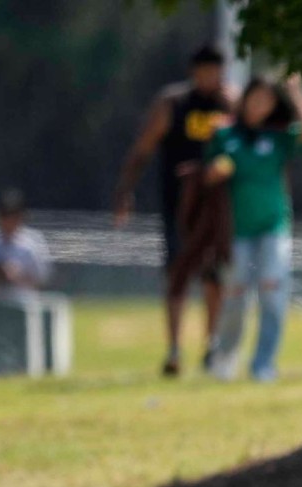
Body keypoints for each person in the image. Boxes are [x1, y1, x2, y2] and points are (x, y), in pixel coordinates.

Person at [113, 44, 236, 377]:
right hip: (179, 205)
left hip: (218, 205)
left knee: (215, 275)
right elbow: (143, 149)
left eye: (216, 70)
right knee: (177, 273)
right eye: (204, 70)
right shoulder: (172, 103)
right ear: (193, 71)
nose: (210, 77)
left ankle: (212, 345)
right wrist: (125, 191)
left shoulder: (231, 103)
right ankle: (174, 349)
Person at [204, 74, 302, 383]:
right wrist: (215, 172)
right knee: (235, 295)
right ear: (245, 100)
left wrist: (296, 92)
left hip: (273, 227)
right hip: (237, 231)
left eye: (267, 101)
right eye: (255, 98)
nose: (260, 106)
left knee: (272, 291)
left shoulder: (279, 137)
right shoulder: (225, 133)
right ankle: (225, 358)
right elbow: (205, 175)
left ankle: (263, 364)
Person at [0, 190, 52, 292]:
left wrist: (17, 275)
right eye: (4, 215)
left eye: (13, 215)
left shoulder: (33, 242)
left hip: (24, 302)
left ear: (21, 217)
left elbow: (43, 282)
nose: (8, 220)